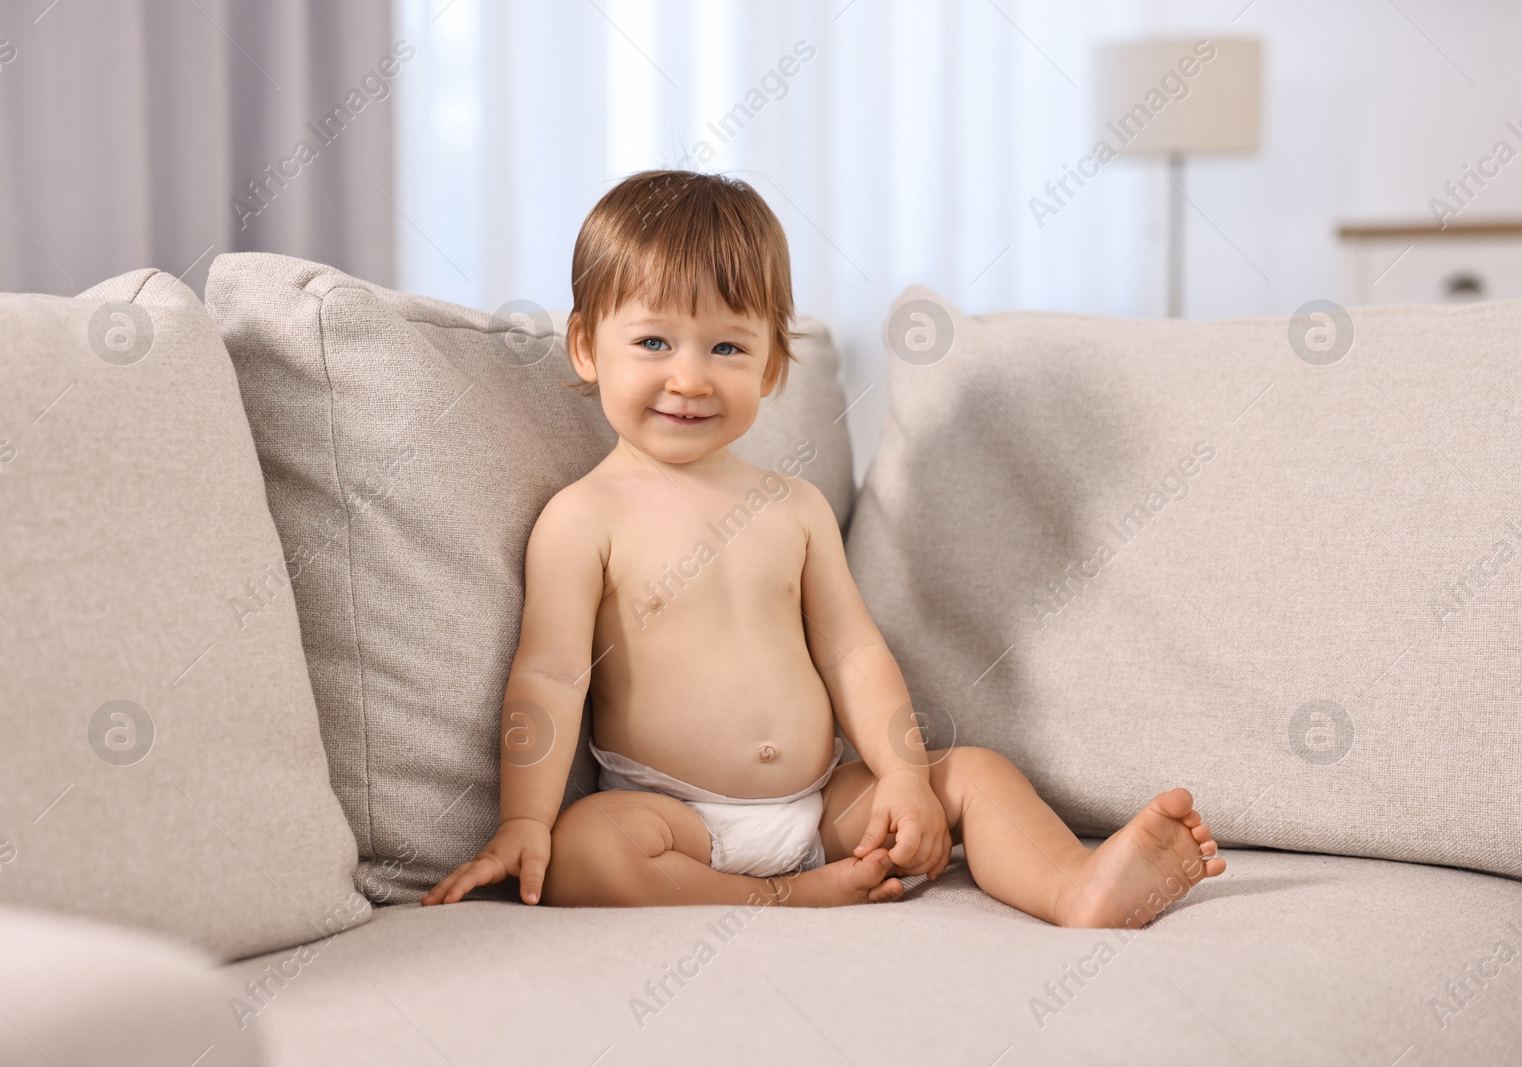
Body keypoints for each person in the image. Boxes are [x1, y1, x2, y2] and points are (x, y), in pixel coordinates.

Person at [423, 170, 1224, 924]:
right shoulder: (582, 517)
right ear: (587, 347)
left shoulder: (793, 507)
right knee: (582, 850)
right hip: (675, 817)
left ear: (772, 362)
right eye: (655, 343)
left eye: (727, 347)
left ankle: (1074, 885)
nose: (692, 378)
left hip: (825, 804)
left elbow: (852, 654)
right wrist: (523, 819)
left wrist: (906, 778)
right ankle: (782, 897)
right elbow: (550, 676)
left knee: (977, 772)